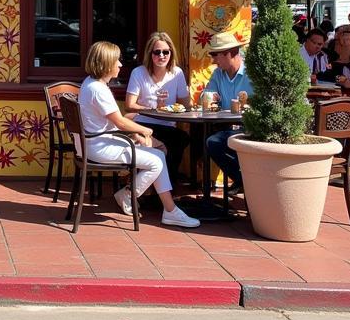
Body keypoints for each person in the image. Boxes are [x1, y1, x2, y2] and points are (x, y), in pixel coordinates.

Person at [80, 41, 199, 229]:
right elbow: (119, 121)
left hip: (96, 142)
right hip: (101, 147)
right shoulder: (98, 89)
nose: (120, 64)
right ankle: (133, 196)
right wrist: (143, 130)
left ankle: (169, 209)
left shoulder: (90, 84)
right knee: (158, 160)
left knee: (159, 155)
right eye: (116, 60)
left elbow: (113, 121)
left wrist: (135, 135)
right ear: (105, 63)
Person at [124, 31, 190, 181]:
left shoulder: (177, 73)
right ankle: (160, 189)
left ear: (171, 53)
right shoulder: (139, 73)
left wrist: (187, 94)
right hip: (144, 123)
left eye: (165, 52)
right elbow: (129, 105)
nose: (161, 56)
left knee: (182, 139)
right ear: (150, 53)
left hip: (167, 125)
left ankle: (164, 188)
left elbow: (186, 105)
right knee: (174, 142)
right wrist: (153, 109)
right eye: (157, 52)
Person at [203, 31, 254, 193]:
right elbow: (206, 95)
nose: (213, 60)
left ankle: (243, 180)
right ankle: (244, 179)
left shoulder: (251, 74)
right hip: (225, 126)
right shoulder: (218, 74)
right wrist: (209, 97)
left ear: (229, 54)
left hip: (249, 127)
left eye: (215, 55)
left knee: (214, 142)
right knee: (201, 138)